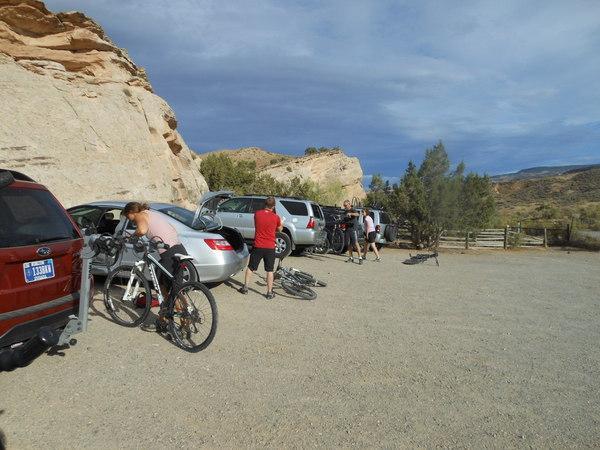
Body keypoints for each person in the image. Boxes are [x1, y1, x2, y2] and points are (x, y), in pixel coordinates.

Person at [122, 202, 188, 328]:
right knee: (168, 285)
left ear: (131, 213)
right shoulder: (151, 213)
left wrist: (132, 236)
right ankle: (164, 317)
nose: (130, 220)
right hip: (179, 249)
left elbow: (142, 230)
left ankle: (182, 317)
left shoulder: (140, 215)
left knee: (169, 288)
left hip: (170, 253)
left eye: (128, 216)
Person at [239, 197, 283, 300]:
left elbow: (257, 224)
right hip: (270, 247)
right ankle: (269, 292)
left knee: (251, 267)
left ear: (264, 204)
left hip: (258, 245)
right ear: (274, 206)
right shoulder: (276, 217)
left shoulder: (257, 214)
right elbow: (280, 229)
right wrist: (281, 223)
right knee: (269, 270)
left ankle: (245, 287)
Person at [342, 199, 362, 264]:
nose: (345, 207)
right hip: (347, 229)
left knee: (356, 243)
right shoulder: (345, 212)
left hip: (353, 229)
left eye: (346, 205)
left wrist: (351, 213)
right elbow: (344, 220)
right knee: (348, 244)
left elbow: (357, 214)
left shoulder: (352, 209)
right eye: (344, 206)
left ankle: (360, 258)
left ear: (349, 204)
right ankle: (351, 257)